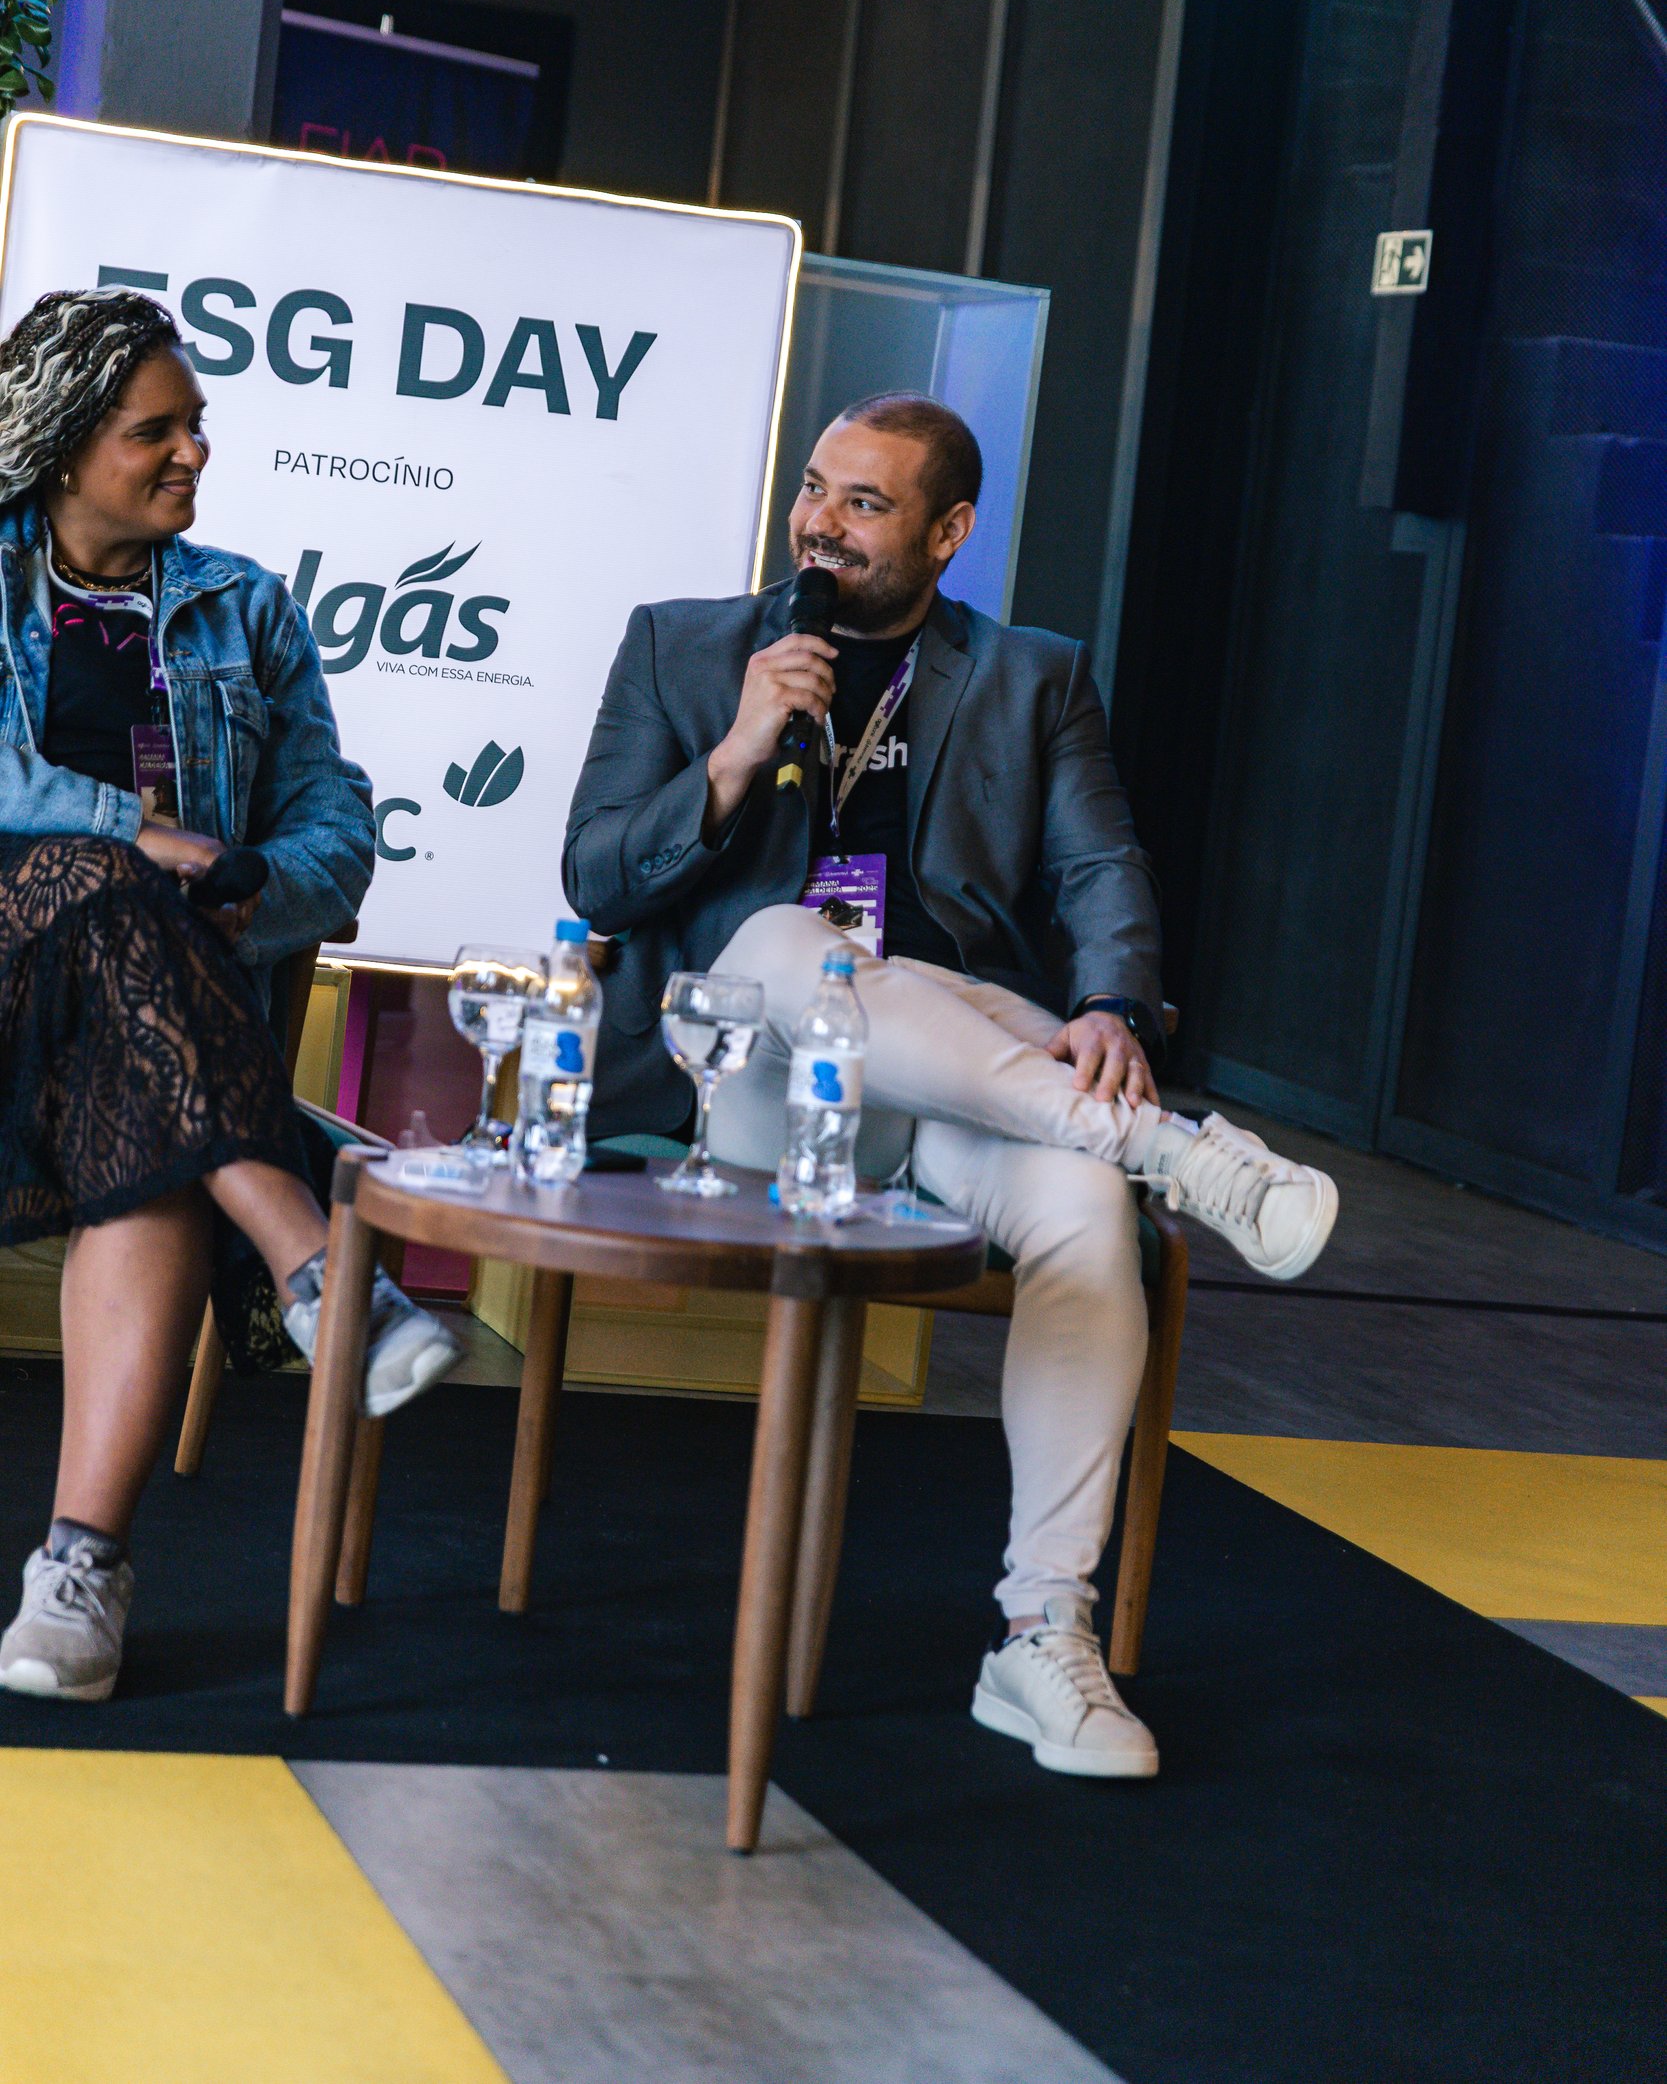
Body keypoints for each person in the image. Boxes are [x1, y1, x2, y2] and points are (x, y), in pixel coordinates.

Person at [565, 390, 1339, 1779]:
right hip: (751, 1085)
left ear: (949, 532)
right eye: (815, 488)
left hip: (951, 1093)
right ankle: (1168, 1147)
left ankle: (1042, 1634)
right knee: (794, 945)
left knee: (1084, 1216)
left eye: (865, 504)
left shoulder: (1033, 677)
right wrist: (736, 754)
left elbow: (1101, 867)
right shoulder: (684, 646)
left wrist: (1113, 1006)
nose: (822, 523)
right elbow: (596, 875)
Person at [0, 287, 458, 1705]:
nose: (194, 452)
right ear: (62, 444)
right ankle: (312, 1258)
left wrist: (252, 888)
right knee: (99, 879)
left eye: (196, 425)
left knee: (150, 1129)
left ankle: (79, 1572)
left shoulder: (244, 609)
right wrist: (134, 838)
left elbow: (337, 826)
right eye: (158, 431)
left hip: (143, 1049)